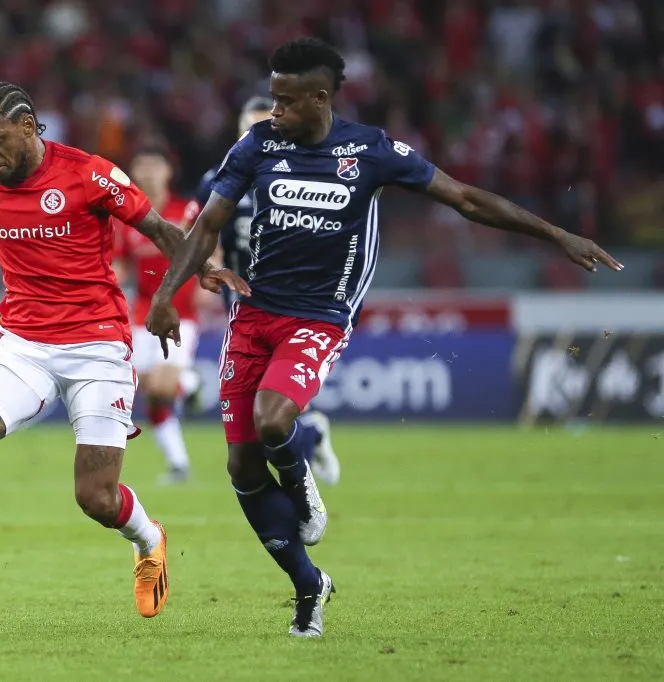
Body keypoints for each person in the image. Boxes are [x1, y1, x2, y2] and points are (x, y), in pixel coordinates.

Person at [145, 38, 622, 638]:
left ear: (320, 98)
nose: (276, 111)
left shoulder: (369, 150)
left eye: (286, 101)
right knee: (241, 466)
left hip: (319, 316)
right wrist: (165, 296)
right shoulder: (258, 145)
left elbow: (466, 198)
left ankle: (306, 493)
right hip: (252, 314)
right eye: (272, 98)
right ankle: (308, 585)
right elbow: (206, 224)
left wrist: (557, 234)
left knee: (272, 421)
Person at [0, 81, 246, 620]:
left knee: (96, 497)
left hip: (97, 345)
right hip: (23, 342)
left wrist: (196, 273)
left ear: (28, 127)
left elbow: (159, 228)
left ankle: (149, 540)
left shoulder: (88, 173)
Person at [189, 96, 341, 487]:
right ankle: (310, 435)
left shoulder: (298, 174)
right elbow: (204, 229)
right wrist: (212, 268)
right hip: (241, 297)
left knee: (269, 402)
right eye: (247, 125)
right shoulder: (220, 175)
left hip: (292, 299)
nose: (255, 133)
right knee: (256, 399)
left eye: (263, 124)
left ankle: (306, 442)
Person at [114, 142, 203, 484]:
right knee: (150, 389)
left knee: (163, 390)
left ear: (169, 171)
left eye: (155, 165)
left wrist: (211, 276)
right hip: (142, 314)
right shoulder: (126, 219)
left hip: (182, 313)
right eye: (141, 165)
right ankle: (179, 464)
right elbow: (119, 264)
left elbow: (213, 247)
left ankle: (189, 382)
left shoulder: (188, 211)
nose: (148, 172)